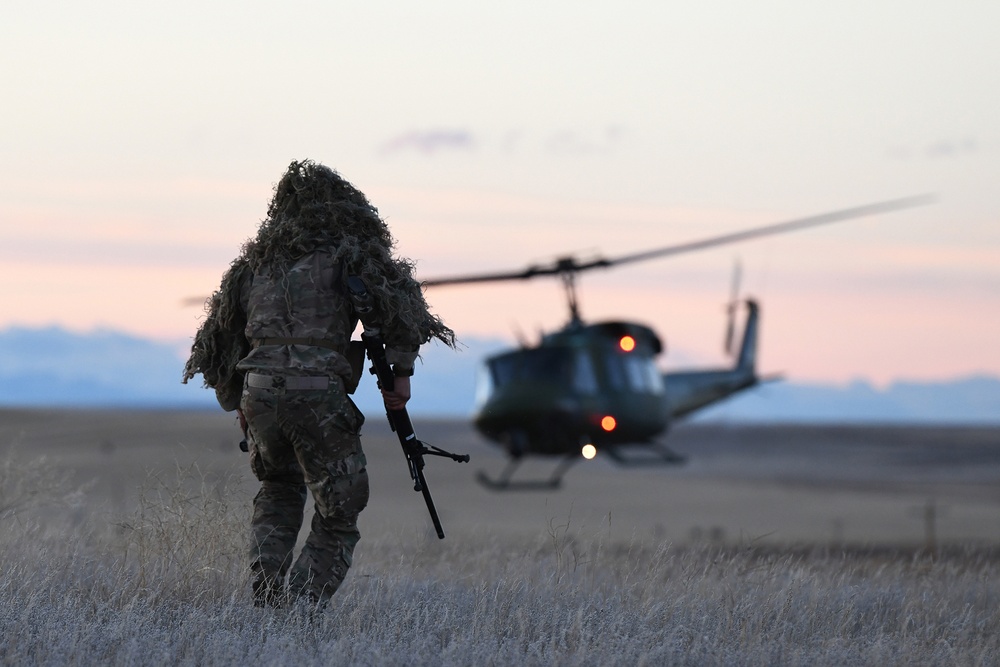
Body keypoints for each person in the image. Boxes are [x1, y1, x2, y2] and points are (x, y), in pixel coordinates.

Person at [183, 160, 454, 606]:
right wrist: (401, 378)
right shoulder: (351, 257)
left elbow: (217, 344)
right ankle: (302, 614)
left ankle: (267, 600)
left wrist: (237, 403)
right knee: (340, 511)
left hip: (260, 394)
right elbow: (401, 315)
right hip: (318, 395)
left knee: (278, 489)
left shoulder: (252, 267)